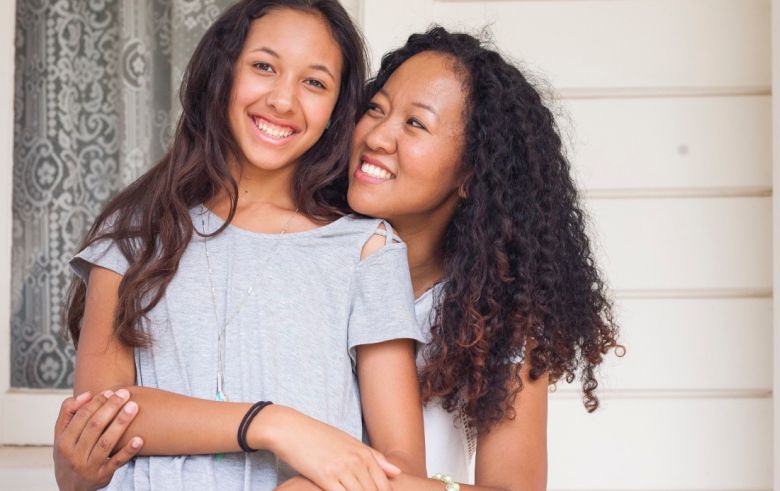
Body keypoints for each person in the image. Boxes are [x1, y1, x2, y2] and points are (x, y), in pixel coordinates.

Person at [55, 26, 621, 491]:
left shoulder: (488, 313)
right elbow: (100, 425)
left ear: (472, 174)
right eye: (374, 110)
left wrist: (325, 483)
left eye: (415, 124)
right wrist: (274, 427)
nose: (377, 136)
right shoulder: (285, 236)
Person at [53, 1, 429, 490]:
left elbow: (403, 465)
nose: (282, 100)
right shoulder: (135, 236)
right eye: (264, 66)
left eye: (314, 82)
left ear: (338, 109)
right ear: (222, 73)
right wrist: (272, 424)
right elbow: (100, 420)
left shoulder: (365, 250)